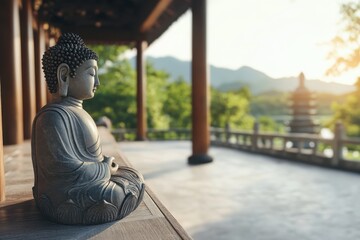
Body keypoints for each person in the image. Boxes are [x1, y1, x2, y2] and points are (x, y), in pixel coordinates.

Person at [32, 33, 145, 225]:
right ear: (64, 75)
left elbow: (89, 159)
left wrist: (104, 165)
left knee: (134, 176)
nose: (98, 83)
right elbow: (60, 170)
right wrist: (103, 168)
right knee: (118, 193)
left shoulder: (76, 112)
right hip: (64, 197)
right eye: (92, 74)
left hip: (89, 186)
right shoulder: (52, 117)